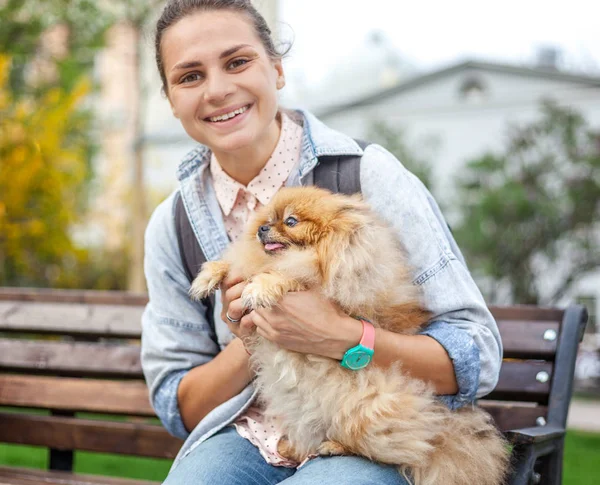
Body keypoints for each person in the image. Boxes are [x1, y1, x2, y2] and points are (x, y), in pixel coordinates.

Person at [141, 1, 502, 483]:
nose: (218, 90)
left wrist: (344, 337)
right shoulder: (174, 223)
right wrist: (254, 335)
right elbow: (178, 409)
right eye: (189, 77)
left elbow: (475, 355)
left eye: (237, 62)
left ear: (278, 69)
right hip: (247, 436)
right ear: (170, 99)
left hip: (372, 427)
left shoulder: (364, 176)